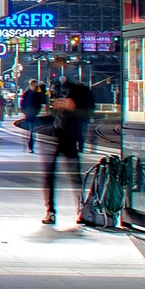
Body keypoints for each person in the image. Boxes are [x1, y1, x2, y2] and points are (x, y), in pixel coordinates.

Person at [43, 80, 94, 225]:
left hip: (69, 138)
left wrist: (73, 107)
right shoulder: (58, 86)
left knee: (74, 177)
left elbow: (87, 112)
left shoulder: (78, 90)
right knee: (51, 176)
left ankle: (82, 210)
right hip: (54, 138)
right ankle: (51, 210)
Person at [20, 82, 44, 152]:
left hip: (34, 115)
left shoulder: (37, 95)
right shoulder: (26, 94)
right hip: (28, 115)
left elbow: (39, 105)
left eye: (35, 85)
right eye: (32, 85)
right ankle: (29, 146)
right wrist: (25, 112)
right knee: (28, 131)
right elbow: (22, 104)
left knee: (32, 131)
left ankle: (31, 146)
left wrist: (36, 112)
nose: (34, 86)